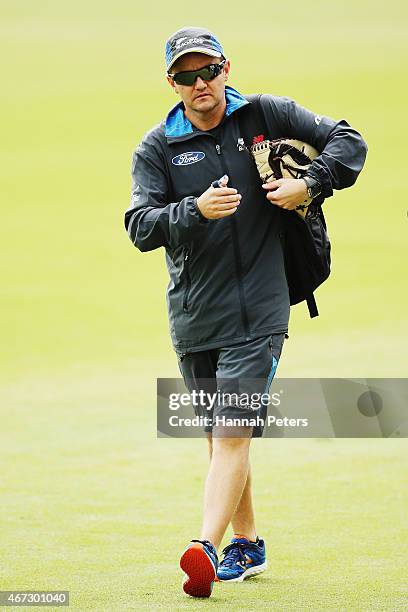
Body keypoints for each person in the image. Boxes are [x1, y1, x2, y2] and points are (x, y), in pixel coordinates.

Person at [124, 26, 367, 598]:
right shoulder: (157, 147)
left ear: (226, 68)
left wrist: (311, 183)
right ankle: (247, 544)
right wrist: (194, 210)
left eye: (208, 70)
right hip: (194, 315)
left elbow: (347, 141)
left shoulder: (267, 114)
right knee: (219, 438)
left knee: (232, 430)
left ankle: (204, 546)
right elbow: (139, 226)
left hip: (261, 311)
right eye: (187, 75)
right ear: (172, 83)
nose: (200, 83)